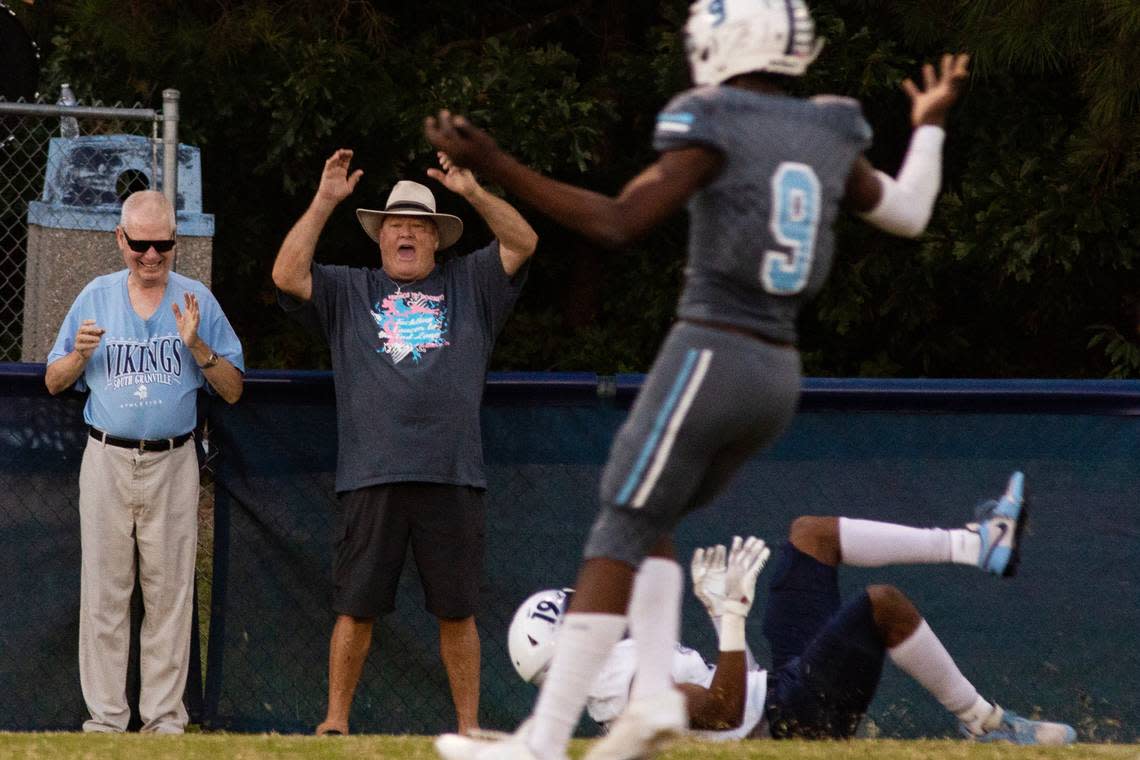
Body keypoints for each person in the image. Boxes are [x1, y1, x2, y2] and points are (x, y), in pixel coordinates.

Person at [426, 0, 972, 756]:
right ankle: (651, 698)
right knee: (653, 517)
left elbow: (619, 221)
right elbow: (910, 212)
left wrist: (497, 166)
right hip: (777, 373)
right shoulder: (828, 127)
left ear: (727, 44)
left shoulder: (716, 119)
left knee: (620, 515)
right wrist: (934, 121)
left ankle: (542, 742)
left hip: (712, 348)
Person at [503, 473, 1076, 746]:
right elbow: (730, 714)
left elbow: (738, 698)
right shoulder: (628, 690)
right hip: (797, 719)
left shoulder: (622, 670)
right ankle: (988, 724)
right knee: (883, 605)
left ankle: (976, 544)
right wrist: (728, 618)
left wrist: (719, 614)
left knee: (811, 535)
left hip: (777, 694)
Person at [271, 149, 538, 735]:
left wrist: (474, 192)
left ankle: (468, 728)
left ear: (438, 239)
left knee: (457, 611)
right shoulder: (349, 291)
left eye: (420, 226)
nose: (408, 234)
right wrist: (323, 202)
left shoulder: (472, 283)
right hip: (372, 474)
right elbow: (287, 276)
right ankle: (335, 723)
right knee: (355, 608)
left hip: (452, 474)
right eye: (397, 225)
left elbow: (523, 243)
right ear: (380, 238)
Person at [45, 189, 244, 733]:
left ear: (175, 242)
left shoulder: (195, 298)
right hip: (107, 456)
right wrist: (79, 354)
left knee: (170, 594)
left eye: (163, 245)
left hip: (174, 460)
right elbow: (53, 379)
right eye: (141, 244)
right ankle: (106, 722)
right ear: (120, 239)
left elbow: (232, 389)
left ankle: (163, 723)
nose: (152, 256)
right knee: (106, 594)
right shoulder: (95, 296)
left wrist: (198, 346)